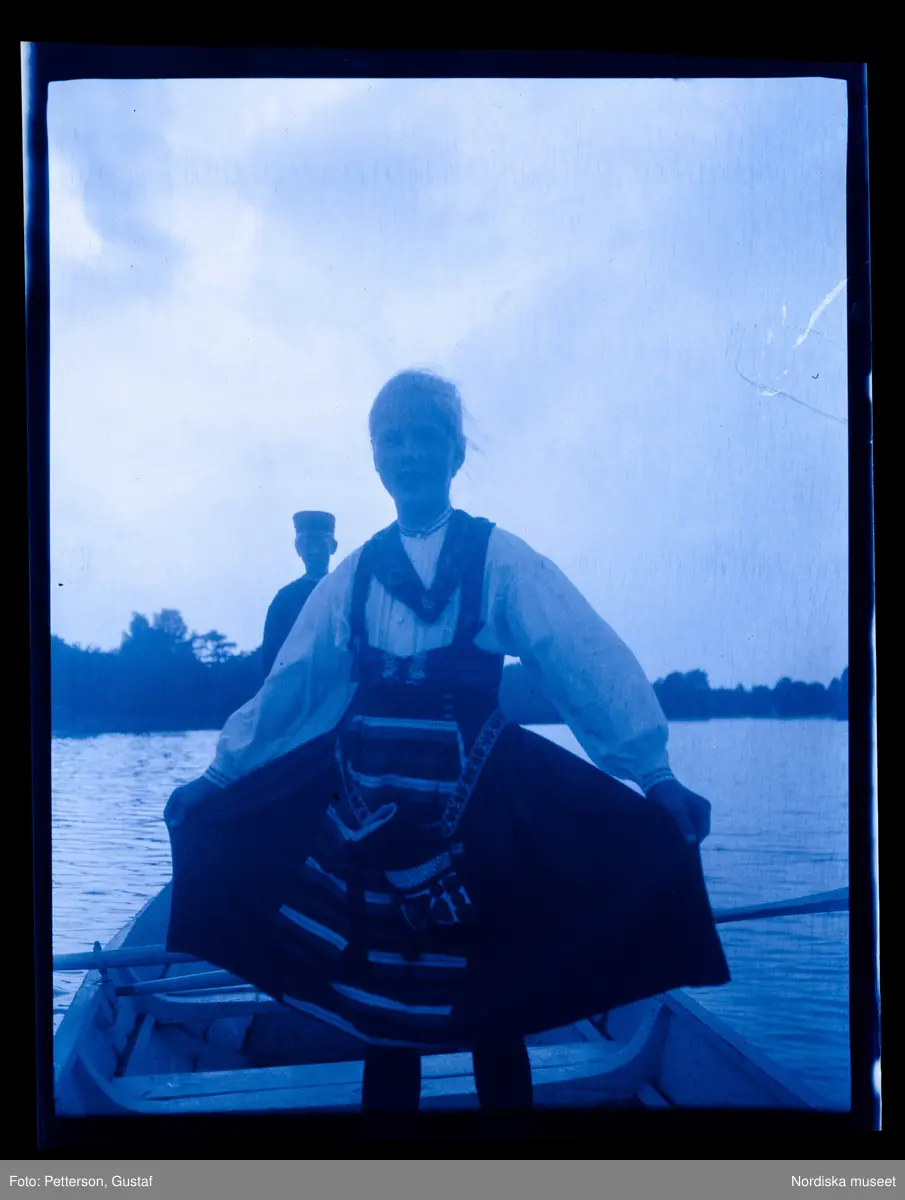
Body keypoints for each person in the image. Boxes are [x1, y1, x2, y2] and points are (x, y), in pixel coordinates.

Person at [164, 369, 730, 1127]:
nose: (408, 454)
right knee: (381, 1020)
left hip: (479, 809)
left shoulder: (498, 557)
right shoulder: (354, 573)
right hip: (367, 811)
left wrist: (653, 773)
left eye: (424, 438)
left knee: (495, 1006)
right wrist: (217, 776)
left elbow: (579, 653)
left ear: (456, 453)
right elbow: (295, 685)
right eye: (391, 440)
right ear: (375, 458)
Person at [260, 511, 338, 680]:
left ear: (333, 547)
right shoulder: (285, 599)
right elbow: (271, 658)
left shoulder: (345, 591)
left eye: (321, 542)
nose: (314, 550)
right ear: (298, 548)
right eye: (307, 543)